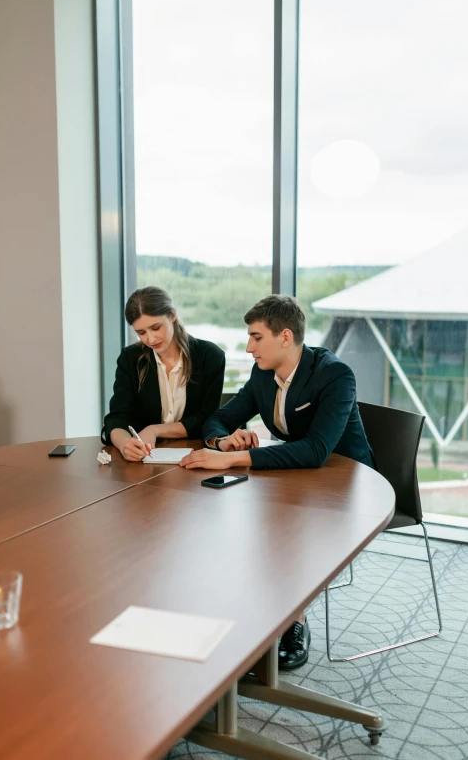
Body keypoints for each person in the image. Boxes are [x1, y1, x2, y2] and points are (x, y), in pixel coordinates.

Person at [180, 294, 374, 670]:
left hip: (347, 484)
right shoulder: (263, 374)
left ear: (285, 337)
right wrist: (224, 440)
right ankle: (249, 613)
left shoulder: (334, 374)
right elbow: (219, 418)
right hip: (296, 476)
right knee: (237, 520)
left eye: (256, 337)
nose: (249, 347)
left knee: (287, 530)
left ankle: (292, 621)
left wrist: (231, 458)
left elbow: (317, 450)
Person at [102, 286, 225, 461]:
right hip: (145, 462)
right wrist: (125, 445)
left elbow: (206, 418)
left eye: (156, 328)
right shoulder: (130, 358)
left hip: (196, 458)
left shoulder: (211, 356)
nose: (150, 339)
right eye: (141, 333)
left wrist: (154, 430)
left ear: (172, 315)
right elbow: (117, 418)